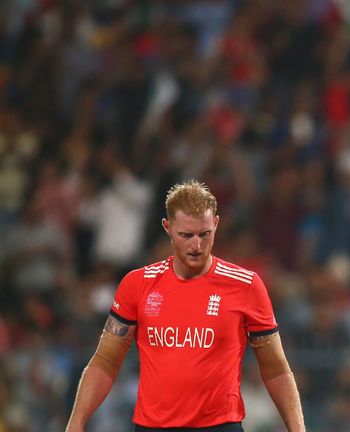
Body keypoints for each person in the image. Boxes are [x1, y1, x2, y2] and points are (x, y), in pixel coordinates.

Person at [66, 180, 305, 432]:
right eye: (186, 235)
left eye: (204, 234)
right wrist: (76, 422)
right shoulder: (137, 285)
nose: (196, 246)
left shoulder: (246, 286)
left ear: (216, 224)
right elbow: (105, 361)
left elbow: (276, 368)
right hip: (153, 428)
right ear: (168, 228)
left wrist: (298, 429)